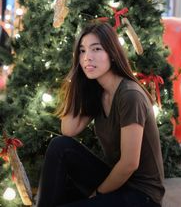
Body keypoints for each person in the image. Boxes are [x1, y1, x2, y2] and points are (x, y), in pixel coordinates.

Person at [36, 22, 165, 207]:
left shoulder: (130, 95)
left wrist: (97, 194)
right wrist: (75, 83)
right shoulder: (99, 91)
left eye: (96, 49)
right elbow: (68, 130)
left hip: (142, 196)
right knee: (60, 146)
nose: (87, 57)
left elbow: (129, 163)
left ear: (112, 53)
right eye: (82, 51)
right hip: (119, 183)